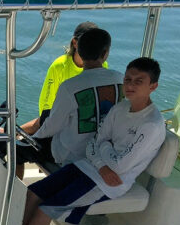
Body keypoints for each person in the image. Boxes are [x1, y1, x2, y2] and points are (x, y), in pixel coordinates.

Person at [17, 57, 165, 225]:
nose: (130, 85)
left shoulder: (151, 125)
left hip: (107, 182)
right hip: (88, 167)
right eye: (128, 79)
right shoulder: (120, 108)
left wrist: (103, 151)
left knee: (45, 210)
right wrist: (104, 153)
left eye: (138, 81)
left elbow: (120, 166)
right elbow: (95, 142)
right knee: (32, 193)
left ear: (153, 86)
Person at [17, 28, 123, 175]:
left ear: (78, 48)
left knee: (16, 151)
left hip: (72, 155)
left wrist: (32, 138)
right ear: (105, 54)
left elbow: (52, 127)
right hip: (105, 149)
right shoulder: (120, 80)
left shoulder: (69, 87)